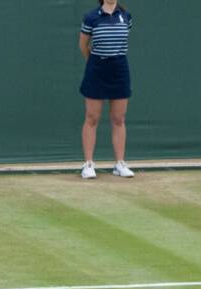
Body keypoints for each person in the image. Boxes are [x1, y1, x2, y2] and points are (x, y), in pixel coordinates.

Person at [78, 0, 134, 180]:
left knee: (119, 119)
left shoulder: (125, 16)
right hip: (97, 69)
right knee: (92, 118)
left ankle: (119, 164)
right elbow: (83, 45)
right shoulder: (91, 17)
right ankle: (88, 164)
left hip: (119, 70)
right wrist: (95, 64)